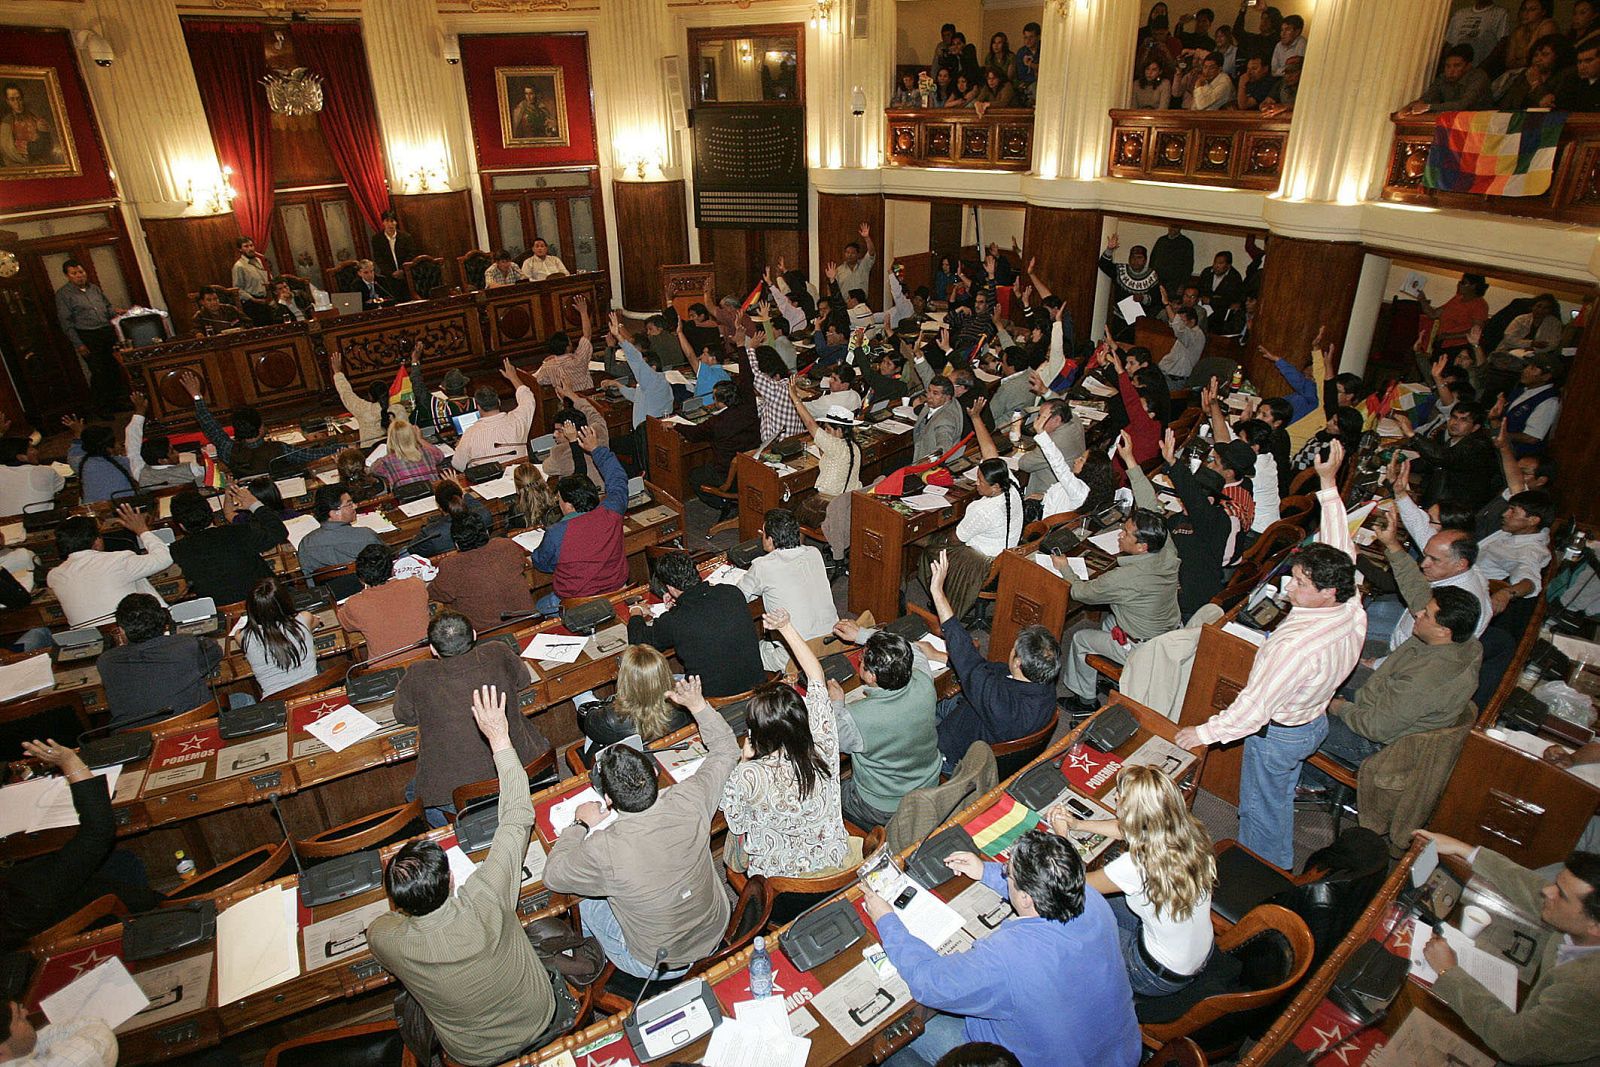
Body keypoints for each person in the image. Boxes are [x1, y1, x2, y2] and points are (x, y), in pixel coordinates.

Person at [1175, 441, 1364, 870]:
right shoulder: (1351, 605)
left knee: (1261, 810)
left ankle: (1260, 872)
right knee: (1277, 795)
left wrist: (1202, 733)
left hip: (1279, 733)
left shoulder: (1295, 647)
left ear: (1328, 592)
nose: (1288, 588)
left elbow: (1254, 709)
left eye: (1300, 584)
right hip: (1312, 719)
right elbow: (1342, 547)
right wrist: (1328, 485)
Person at [367, 684, 556, 1067]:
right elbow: (517, 816)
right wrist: (499, 738)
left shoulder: (390, 939)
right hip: (539, 1015)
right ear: (450, 879)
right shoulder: (486, 894)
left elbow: (377, 930)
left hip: (472, 1054)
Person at [867, 832, 1140, 1067]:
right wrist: (984, 871)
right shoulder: (1090, 897)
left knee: (902, 1031)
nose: (1004, 873)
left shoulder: (1006, 956)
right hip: (1121, 1053)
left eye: (1007, 873)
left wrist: (887, 920)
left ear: (1025, 897)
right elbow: (1041, 891)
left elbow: (930, 983)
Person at [544, 674, 739, 979]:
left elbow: (554, 876)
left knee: (584, 903)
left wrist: (579, 824)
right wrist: (698, 706)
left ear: (608, 799)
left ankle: (589, 958)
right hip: (714, 927)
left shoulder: (603, 849)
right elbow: (727, 749)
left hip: (657, 962)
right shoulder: (689, 798)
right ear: (654, 773)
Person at [1412, 830, 1600, 1066]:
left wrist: (1448, 971)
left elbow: (1513, 1044)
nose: (1547, 891)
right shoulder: (1585, 925)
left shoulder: (1586, 989)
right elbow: (1533, 889)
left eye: (1560, 895)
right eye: (1556, 883)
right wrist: (1466, 851)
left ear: (1595, 926)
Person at [1301, 570, 1482, 791]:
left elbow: (1375, 728)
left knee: (1291, 720)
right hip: (1376, 706)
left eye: (1426, 615)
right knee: (1308, 685)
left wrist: (1339, 707)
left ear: (1443, 631)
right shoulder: (1464, 643)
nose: (1418, 614)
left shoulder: (1426, 680)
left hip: (1376, 744)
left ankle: (1314, 782)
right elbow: (1417, 592)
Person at [1051, 765, 1215, 996]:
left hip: (1153, 975)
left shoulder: (1135, 865)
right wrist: (1078, 824)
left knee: (1071, 914)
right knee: (1103, 904)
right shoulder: (1189, 831)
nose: (1116, 797)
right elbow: (1129, 829)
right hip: (1194, 954)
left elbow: (1073, 884)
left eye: (1120, 795)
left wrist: (1062, 836)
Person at [1057, 433, 1182, 711]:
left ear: (1141, 546)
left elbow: (1081, 592)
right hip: (1165, 634)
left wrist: (1065, 569)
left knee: (1080, 638)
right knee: (1108, 622)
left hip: (1143, 647)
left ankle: (1084, 699)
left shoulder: (1125, 579)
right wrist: (1129, 460)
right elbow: (1150, 505)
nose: (1120, 535)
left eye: (1125, 533)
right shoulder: (1166, 548)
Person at [721, 609, 849, 877]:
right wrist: (786, 627)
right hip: (833, 861)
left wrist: (744, 761)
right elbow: (816, 677)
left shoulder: (749, 774)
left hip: (780, 881)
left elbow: (736, 821)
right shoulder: (823, 742)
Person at [393, 613, 550, 827]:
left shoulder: (417, 674)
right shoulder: (498, 650)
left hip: (462, 798)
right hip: (527, 768)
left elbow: (404, 716)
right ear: (474, 635)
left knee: (413, 792)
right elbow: (523, 680)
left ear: (432, 649)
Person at [925, 550, 1058, 770]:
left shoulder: (1001, 705)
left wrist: (938, 593)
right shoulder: (1042, 686)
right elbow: (985, 670)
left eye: (1014, 649)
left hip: (953, 752)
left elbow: (970, 662)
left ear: (1018, 663)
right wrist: (938, 656)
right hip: (974, 718)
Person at [828, 618, 942, 828]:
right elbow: (911, 648)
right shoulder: (924, 681)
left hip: (881, 807)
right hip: (927, 785)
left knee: (823, 791)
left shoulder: (856, 718)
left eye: (862, 659)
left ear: (871, 676)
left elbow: (831, 738)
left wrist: (836, 703)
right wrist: (862, 634)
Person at [627, 551, 765, 698]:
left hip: (709, 699)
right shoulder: (732, 593)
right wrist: (678, 603)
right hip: (757, 687)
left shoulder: (675, 620)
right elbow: (706, 609)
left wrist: (636, 611)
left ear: (671, 588)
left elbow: (638, 641)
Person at [529, 426, 630, 614]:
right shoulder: (612, 511)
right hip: (616, 591)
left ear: (568, 504)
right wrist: (596, 449)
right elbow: (617, 478)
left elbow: (541, 563)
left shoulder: (557, 532)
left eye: (559, 499)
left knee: (536, 609)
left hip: (575, 603)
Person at [179, 370, 344, 477]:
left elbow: (209, 425)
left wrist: (197, 396)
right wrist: (340, 447)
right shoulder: (279, 449)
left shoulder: (227, 449)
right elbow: (311, 454)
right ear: (260, 429)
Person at [94, 592, 221, 727]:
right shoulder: (187, 645)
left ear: (121, 630)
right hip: (193, 730)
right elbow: (216, 652)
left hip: (136, 737)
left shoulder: (105, 662)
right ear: (163, 621)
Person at [737, 508, 838, 670]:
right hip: (832, 643)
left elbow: (738, 596)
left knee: (741, 653)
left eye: (763, 533)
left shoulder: (763, 566)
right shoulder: (814, 552)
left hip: (795, 656)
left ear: (770, 540)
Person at [47, 506, 172, 628]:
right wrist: (142, 530)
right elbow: (165, 558)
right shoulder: (117, 560)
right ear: (97, 541)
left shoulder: (53, 576)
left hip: (92, 638)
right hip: (134, 630)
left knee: (137, 580)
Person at [169, 483, 289, 606]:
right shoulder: (239, 531)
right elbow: (279, 532)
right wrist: (255, 504)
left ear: (181, 526)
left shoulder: (177, 549)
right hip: (265, 603)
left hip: (221, 610)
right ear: (211, 512)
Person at [575, 644, 690, 762]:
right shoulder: (686, 701)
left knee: (582, 698)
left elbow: (586, 722)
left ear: (626, 679)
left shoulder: (610, 719)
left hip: (627, 761)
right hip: (666, 753)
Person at [428, 509, 535, 632]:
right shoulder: (507, 545)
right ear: (487, 532)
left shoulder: (451, 565)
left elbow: (435, 594)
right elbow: (522, 563)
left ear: (456, 544)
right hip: (528, 621)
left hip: (486, 633)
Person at [54, 258, 128, 417]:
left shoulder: (94, 288)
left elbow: (107, 307)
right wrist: (78, 344)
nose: (79, 276)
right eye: (74, 273)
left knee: (113, 368)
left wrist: (116, 312)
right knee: (98, 372)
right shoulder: (63, 295)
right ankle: (102, 408)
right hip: (88, 336)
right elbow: (65, 322)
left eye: (81, 272)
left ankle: (117, 402)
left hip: (106, 332)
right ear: (67, 276)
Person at [337, 543, 430, 661]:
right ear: (392, 569)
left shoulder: (354, 604)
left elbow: (345, 624)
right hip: (428, 660)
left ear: (361, 578)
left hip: (385, 669)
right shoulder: (416, 585)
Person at [679, 379, 760, 513]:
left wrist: (676, 425)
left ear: (721, 402)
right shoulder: (749, 411)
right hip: (750, 469)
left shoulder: (717, 422)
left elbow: (693, 434)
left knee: (694, 475)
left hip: (726, 474)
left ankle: (723, 502)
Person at [239, 576, 320, 697]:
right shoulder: (304, 618)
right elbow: (316, 622)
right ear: (285, 600)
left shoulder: (242, 636)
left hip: (275, 703)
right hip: (312, 695)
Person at [451, 358, 537, 471]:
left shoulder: (470, 434)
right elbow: (528, 397)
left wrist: (459, 447)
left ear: (478, 407)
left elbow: (458, 465)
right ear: (499, 402)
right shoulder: (518, 420)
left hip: (488, 481)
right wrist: (513, 377)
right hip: (521, 476)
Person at [298, 484, 382, 579]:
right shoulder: (367, 536)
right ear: (334, 513)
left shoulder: (306, 544)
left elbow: (309, 579)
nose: (355, 506)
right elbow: (384, 565)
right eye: (349, 504)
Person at [1098, 234, 1160, 340]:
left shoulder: (1152, 275)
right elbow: (1104, 265)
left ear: (1145, 260)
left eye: (1139, 258)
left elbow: (1157, 298)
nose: (1135, 260)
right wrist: (1110, 249)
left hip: (1140, 322)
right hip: (1119, 319)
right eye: (1133, 257)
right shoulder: (1121, 270)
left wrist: (1143, 298)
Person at [532, 295, 596, 395]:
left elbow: (539, 380)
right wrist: (583, 312)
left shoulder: (548, 366)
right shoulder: (579, 359)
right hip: (587, 398)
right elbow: (587, 335)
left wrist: (546, 362)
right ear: (567, 347)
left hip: (566, 401)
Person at [62, 419, 136, 505]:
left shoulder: (80, 463)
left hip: (95, 510)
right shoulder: (125, 462)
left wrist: (78, 433)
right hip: (126, 507)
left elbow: (74, 453)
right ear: (110, 448)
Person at [1502, 352, 1562, 456]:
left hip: (1516, 454)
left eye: (1533, 369)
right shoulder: (1521, 390)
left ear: (1546, 376)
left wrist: (1500, 435)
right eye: (1527, 366)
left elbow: (1531, 437)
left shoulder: (1549, 402)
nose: (1525, 371)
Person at [1403, 45, 1493, 113]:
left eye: (1457, 66)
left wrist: (1429, 107)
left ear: (1468, 66)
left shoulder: (1478, 77)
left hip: (1479, 124)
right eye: (1448, 66)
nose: (1451, 71)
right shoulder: (1443, 78)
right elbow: (1427, 98)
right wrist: (1410, 107)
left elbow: (1462, 105)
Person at [372, 416, 446, 491]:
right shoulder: (427, 452)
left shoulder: (387, 461)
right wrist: (420, 439)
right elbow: (440, 455)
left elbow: (373, 470)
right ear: (412, 435)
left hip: (408, 496)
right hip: (434, 493)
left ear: (390, 439)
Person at [0, 432, 63, 517]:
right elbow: (60, 486)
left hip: (5, 523)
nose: (36, 451)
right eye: (31, 448)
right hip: (36, 523)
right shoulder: (44, 471)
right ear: (21, 457)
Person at [913, 374, 966, 460]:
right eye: (929, 391)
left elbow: (944, 446)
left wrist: (930, 460)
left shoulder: (945, 421)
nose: (929, 396)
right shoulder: (941, 403)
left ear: (947, 397)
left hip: (928, 463)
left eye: (935, 393)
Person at [1447, 0, 1513, 66]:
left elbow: (1502, 43)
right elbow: (1449, 43)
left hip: (1480, 67)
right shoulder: (1459, 14)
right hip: (1454, 67)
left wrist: (1482, 68)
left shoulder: (1501, 14)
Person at [507, 462, 564, 530]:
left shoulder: (515, 511)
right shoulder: (558, 502)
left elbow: (512, 531)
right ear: (541, 480)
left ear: (517, 487)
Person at [230, 236, 273, 323]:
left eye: (251, 245)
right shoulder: (239, 266)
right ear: (240, 249)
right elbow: (237, 289)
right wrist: (254, 299)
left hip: (265, 299)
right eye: (246, 246)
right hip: (252, 303)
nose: (250, 249)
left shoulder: (259, 260)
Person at [370, 209, 420, 279]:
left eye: (392, 221)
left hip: (406, 273)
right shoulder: (377, 239)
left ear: (396, 222)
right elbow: (378, 258)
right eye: (387, 221)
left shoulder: (406, 237)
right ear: (383, 222)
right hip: (388, 276)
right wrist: (391, 272)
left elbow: (411, 254)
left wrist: (402, 270)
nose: (390, 224)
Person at [1552, 39, 1600, 110]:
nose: (1582, 67)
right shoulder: (1572, 80)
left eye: (1588, 61)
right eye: (1579, 62)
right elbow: (1560, 106)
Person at [1014, 22, 1041, 104]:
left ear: (1038, 37)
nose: (1028, 41)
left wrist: (1032, 65)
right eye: (1025, 37)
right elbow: (1020, 74)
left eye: (1031, 37)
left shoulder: (1044, 49)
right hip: (1026, 84)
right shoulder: (1021, 52)